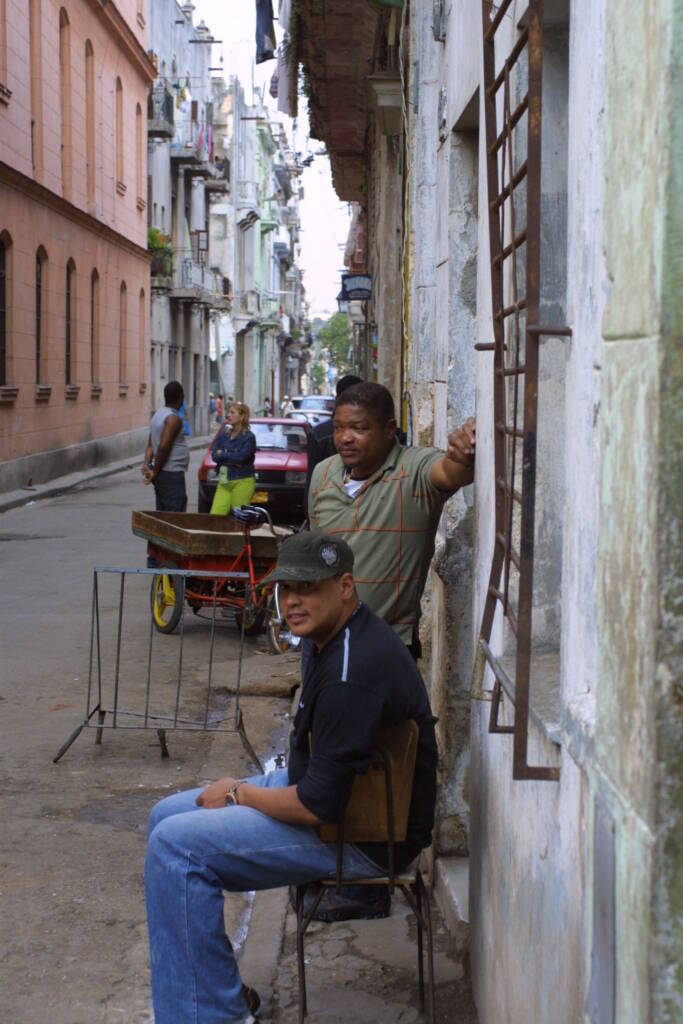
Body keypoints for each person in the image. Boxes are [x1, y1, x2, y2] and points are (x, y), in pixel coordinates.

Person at [145, 530, 438, 1024]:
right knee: (164, 816)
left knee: (177, 847)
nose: (293, 601)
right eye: (286, 588)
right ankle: (218, 997)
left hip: (364, 833)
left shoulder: (351, 670)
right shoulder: (337, 635)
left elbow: (315, 807)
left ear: (345, 586)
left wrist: (239, 792)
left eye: (308, 588)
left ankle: (210, 1016)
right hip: (339, 799)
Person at [305, 381, 475, 921]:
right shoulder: (324, 476)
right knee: (324, 761)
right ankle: (325, 865)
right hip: (324, 651)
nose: (345, 439)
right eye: (339, 428)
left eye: (358, 429)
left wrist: (465, 450)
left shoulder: (415, 472)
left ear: (388, 431)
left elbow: (452, 473)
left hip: (384, 654)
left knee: (383, 769)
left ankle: (369, 882)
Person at [304, 374, 362, 511]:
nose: (347, 438)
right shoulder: (320, 435)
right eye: (339, 428)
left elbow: (310, 484)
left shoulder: (319, 433)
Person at [142, 381, 190, 512]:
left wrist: (147, 465)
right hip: (171, 474)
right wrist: (154, 471)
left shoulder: (158, 414)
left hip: (164, 474)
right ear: (181, 397)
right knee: (175, 516)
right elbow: (163, 447)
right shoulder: (173, 419)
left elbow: (150, 444)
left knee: (163, 513)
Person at [209, 401, 256, 516]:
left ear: (242, 416)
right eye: (228, 412)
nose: (228, 415)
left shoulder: (249, 437)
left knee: (239, 518)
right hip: (224, 481)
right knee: (215, 516)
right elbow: (214, 455)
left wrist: (223, 454)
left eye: (232, 413)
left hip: (242, 481)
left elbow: (241, 458)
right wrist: (231, 459)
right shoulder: (224, 433)